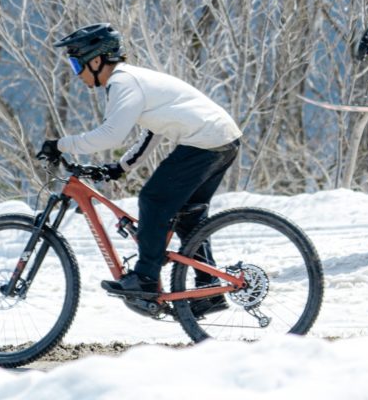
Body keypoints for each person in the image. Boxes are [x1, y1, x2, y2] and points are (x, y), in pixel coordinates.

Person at [35, 23, 242, 317]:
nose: (75, 72)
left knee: (153, 199)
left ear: (95, 60)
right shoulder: (132, 81)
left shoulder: (122, 82)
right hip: (224, 139)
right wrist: (119, 168)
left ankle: (144, 278)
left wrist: (60, 145)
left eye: (74, 62)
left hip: (205, 140)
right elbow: (150, 133)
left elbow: (110, 135)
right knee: (187, 216)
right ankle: (206, 290)